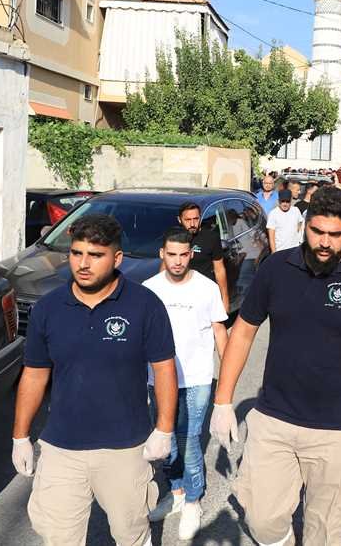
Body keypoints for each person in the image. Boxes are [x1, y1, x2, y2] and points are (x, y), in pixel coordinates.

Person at [209, 187, 341, 546]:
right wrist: (223, 401)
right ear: (304, 227)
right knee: (263, 519)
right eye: (317, 232)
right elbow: (243, 334)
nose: (324, 242)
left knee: (326, 532)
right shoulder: (276, 269)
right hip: (275, 419)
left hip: (338, 431)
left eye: (335, 234)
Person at [12, 214, 177, 545]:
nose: (83, 264)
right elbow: (34, 373)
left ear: (116, 258)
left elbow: (163, 368)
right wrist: (20, 436)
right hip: (61, 447)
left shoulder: (145, 305)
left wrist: (164, 429)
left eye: (95, 255)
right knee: (57, 536)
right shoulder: (48, 308)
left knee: (131, 533)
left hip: (125, 447)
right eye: (76, 253)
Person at [144, 228, 229, 538]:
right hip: (159, 379)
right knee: (165, 440)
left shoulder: (206, 288)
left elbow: (220, 332)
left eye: (183, 255)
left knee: (189, 439)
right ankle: (177, 493)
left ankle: (194, 501)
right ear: (162, 255)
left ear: (191, 254)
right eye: (172, 254)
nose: (178, 261)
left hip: (196, 378)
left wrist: (227, 385)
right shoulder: (149, 289)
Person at [178, 201, 230, 313]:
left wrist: (224, 299)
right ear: (179, 220)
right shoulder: (174, 238)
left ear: (200, 218)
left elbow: (219, 270)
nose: (192, 224)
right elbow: (165, 266)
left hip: (204, 294)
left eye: (196, 219)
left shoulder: (211, 238)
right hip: (181, 293)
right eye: (187, 220)